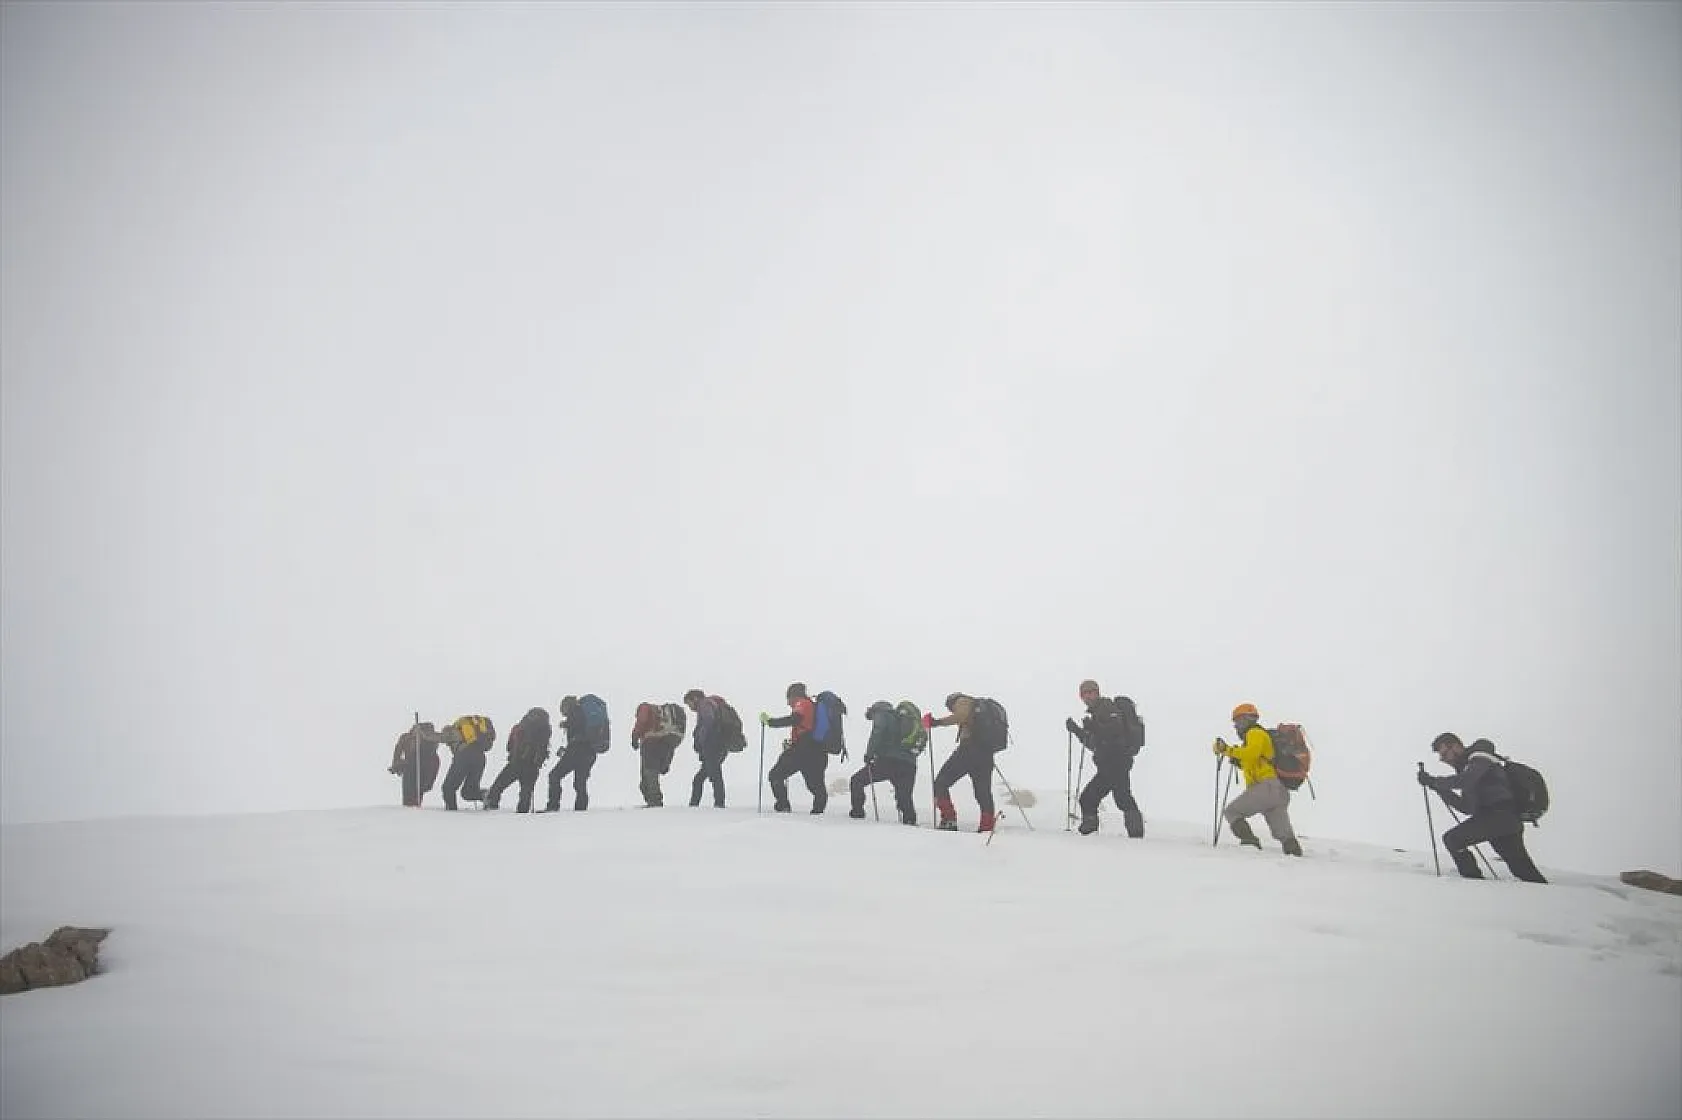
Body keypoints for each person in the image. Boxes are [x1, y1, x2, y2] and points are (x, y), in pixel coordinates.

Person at [1417, 733, 1547, 883]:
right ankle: (1544, 892)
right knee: (1521, 868)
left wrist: (1435, 782)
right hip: (1505, 820)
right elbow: (1466, 807)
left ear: (1456, 746)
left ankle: (1473, 885)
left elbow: (1466, 780)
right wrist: (1438, 787)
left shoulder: (1480, 755)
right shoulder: (1467, 768)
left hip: (1498, 815)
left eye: (1445, 753)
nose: (1444, 759)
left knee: (1453, 839)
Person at [1213, 702, 1302, 856]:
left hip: (1266, 787)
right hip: (1278, 791)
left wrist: (1227, 750)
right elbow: (1254, 758)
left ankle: (1250, 843)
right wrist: (1237, 759)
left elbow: (1251, 753)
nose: (1236, 726)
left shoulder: (1254, 733)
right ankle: (1295, 855)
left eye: (1237, 721)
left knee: (1232, 812)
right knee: (1284, 834)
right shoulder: (1258, 736)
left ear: (1246, 719)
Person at [1065, 679, 1144, 838]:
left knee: (1095, 797)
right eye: (1084, 694)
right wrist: (1078, 731)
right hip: (1112, 762)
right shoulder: (1097, 712)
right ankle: (1134, 833)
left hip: (1116, 761)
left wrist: (1091, 728)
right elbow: (1095, 743)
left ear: (1097, 692)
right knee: (1117, 796)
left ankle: (1092, 832)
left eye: (1090, 692)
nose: (1087, 696)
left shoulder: (1106, 707)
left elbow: (1113, 732)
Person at [928, 692, 1000, 832]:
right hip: (986, 754)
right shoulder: (980, 709)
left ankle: (949, 819)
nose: (951, 710)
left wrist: (937, 722)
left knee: (941, 782)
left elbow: (960, 716)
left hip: (969, 750)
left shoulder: (962, 701)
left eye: (950, 707)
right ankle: (987, 826)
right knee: (983, 791)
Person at [849, 701, 924, 825]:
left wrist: (869, 754)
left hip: (888, 761)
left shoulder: (882, 714)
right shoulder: (902, 718)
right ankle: (910, 821)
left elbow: (877, 732)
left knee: (857, 780)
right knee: (904, 795)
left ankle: (857, 812)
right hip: (909, 763)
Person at [761, 682, 827, 814]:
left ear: (794, 696)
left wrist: (771, 722)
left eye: (788, 698)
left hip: (803, 749)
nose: (788, 703)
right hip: (817, 750)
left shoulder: (802, 703)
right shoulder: (811, 705)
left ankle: (783, 805)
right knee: (815, 784)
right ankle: (818, 812)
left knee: (775, 775)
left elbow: (795, 719)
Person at [544, 695, 606, 812]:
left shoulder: (575, 711)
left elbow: (577, 725)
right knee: (580, 781)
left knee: (554, 776)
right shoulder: (583, 711)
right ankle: (580, 809)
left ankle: (553, 805)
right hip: (590, 752)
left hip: (577, 750)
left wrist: (566, 724)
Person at [484, 707, 552, 813]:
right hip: (533, 765)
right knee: (526, 791)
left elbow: (509, 746)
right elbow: (543, 748)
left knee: (498, 785)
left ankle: (492, 806)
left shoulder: (521, 726)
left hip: (516, 762)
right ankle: (522, 813)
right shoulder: (545, 730)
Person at [631, 700, 686, 808]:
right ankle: (653, 800)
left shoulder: (644, 707)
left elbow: (642, 721)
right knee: (652, 772)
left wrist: (635, 736)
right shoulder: (666, 723)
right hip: (666, 744)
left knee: (649, 773)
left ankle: (655, 802)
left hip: (651, 743)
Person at [438, 714, 495, 810]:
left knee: (448, 788)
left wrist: (421, 733)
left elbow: (438, 737)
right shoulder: (473, 734)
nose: (448, 745)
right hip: (480, 758)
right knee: (468, 792)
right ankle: (485, 795)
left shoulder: (453, 731)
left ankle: (451, 812)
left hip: (463, 757)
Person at [685, 689, 729, 808]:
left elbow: (708, 722)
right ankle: (697, 804)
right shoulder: (711, 704)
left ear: (694, 699)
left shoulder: (704, 704)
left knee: (713, 776)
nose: (690, 708)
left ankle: (718, 804)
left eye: (689, 703)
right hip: (718, 745)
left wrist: (700, 739)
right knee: (704, 777)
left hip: (712, 745)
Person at [389, 721, 441, 808]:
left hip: (417, 764)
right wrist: (397, 764)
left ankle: (412, 808)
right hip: (418, 765)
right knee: (417, 791)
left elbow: (398, 751)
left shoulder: (407, 737)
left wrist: (397, 764)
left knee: (415, 791)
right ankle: (413, 807)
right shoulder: (408, 737)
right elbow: (398, 751)